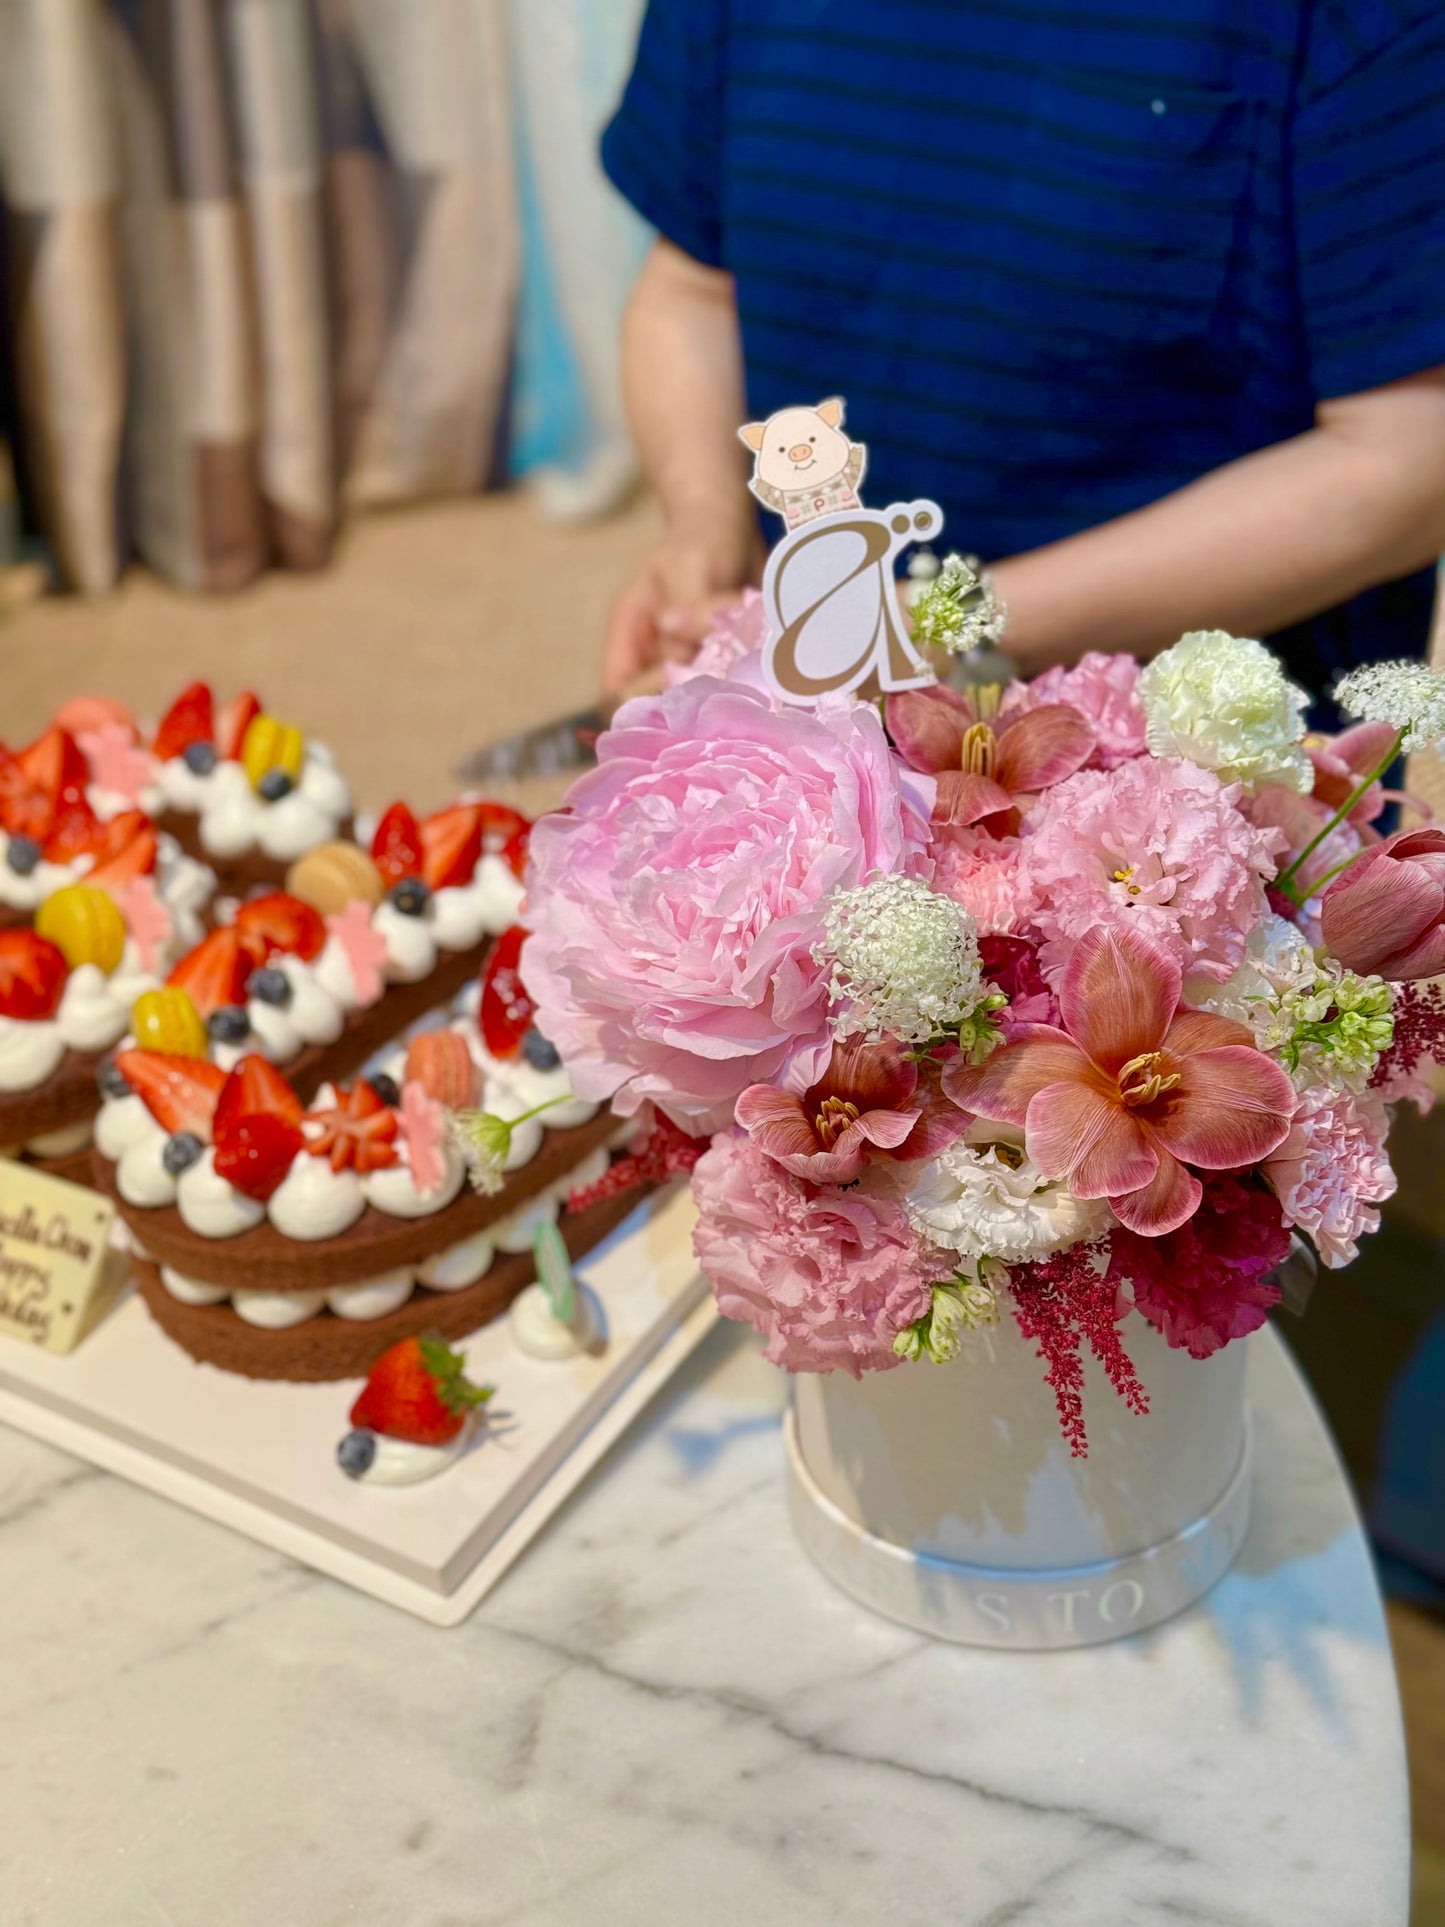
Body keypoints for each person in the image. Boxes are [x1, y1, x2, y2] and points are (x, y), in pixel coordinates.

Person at [598, 1, 1445, 713]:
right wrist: (704, 522)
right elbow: (692, 285)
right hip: (808, 701)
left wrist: (920, 630)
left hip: (1192, 790)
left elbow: (1407, 463)